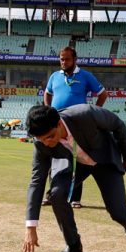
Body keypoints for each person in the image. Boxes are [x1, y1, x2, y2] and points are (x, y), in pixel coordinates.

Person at [22, 105, 126, 252]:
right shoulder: (40, 143)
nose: (47, 143)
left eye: (50, 136)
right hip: (75, 166)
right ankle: (73, 244)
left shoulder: (85, 114)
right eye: (41, 139)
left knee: (118, 212)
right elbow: (37, 180)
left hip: (105, 160)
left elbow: (117, 124)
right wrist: (31, 226)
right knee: (56, 195)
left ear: (59, 124)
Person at [42, 46, 108, 209]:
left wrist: (93, 113)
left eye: (67, 59)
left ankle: (75, 199)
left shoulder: (85, 76)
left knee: (76, 161)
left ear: (75, 59)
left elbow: (103, 94)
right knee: (54, 161)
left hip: (77, 126)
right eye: (61, 59)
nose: (64, 62)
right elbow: (47, 93)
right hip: (57, 126)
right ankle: (53, 195)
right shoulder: (54, 76)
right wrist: (48, 110)